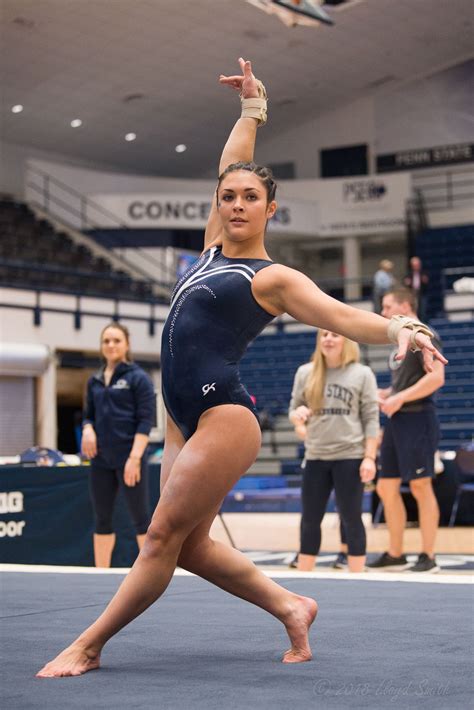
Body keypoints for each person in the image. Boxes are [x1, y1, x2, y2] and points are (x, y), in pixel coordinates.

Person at [37, 59, 445, 678]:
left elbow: (339, 314)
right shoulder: (208, 250)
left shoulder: (272, 277)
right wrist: (252, 108)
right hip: (183, 418)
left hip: (223, 415)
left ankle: (89, 644)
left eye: (250, 198)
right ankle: (292, 604)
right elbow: (234, 159)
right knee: (191, 546)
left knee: (157, 540)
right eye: (227, 196)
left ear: (270, 210)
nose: (235, 204)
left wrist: (400, 327)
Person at [289, 330, 379, 573]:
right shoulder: (305, 372)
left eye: (335, 335)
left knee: (351, 518)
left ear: (346, 341)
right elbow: (294, 410)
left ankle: (358, 577)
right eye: (324, 334)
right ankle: (304, 577)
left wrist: (369, 457)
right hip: (316, 456)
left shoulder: (362, 374)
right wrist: (299, 420)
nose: (328, 339)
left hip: (350, 456)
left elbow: (371, 419)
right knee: (309, 520)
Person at [369, 288, 444, 573]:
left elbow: (437, 378)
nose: (384, 312)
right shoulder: (402, 338)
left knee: (420, 485)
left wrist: (400, 397)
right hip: (398, 421)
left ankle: (428, 555)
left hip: (418, 419)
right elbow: (404, 385)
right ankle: (396, 553)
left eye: (388, 306)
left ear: (403, 305)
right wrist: (387, 393)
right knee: (386, 486)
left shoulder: (425, 334)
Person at [82, 322, 156, 567]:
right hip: (101, 459)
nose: (111, 345)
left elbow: (146, 421)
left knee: (140, 519)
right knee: (101, 519)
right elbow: (88, 416)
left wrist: (135, 458)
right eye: (106, 341)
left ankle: (149, 576)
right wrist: (88, 428)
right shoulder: (94, 381)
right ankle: (100, 574)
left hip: (130, 458)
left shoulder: (138, 378)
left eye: (116, 340)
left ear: (127, 344)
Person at [404, 256, 429, 321]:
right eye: (414, 265)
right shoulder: (409, 273)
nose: (416, 266)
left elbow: (428, 283)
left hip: (422, 293)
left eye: (417, 265)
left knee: (423, 310)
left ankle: (423, 323)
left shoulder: (424, 272)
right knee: (414, 310)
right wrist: (406, 282)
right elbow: (405, 282)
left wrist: (425, 281)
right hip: (412, 294)